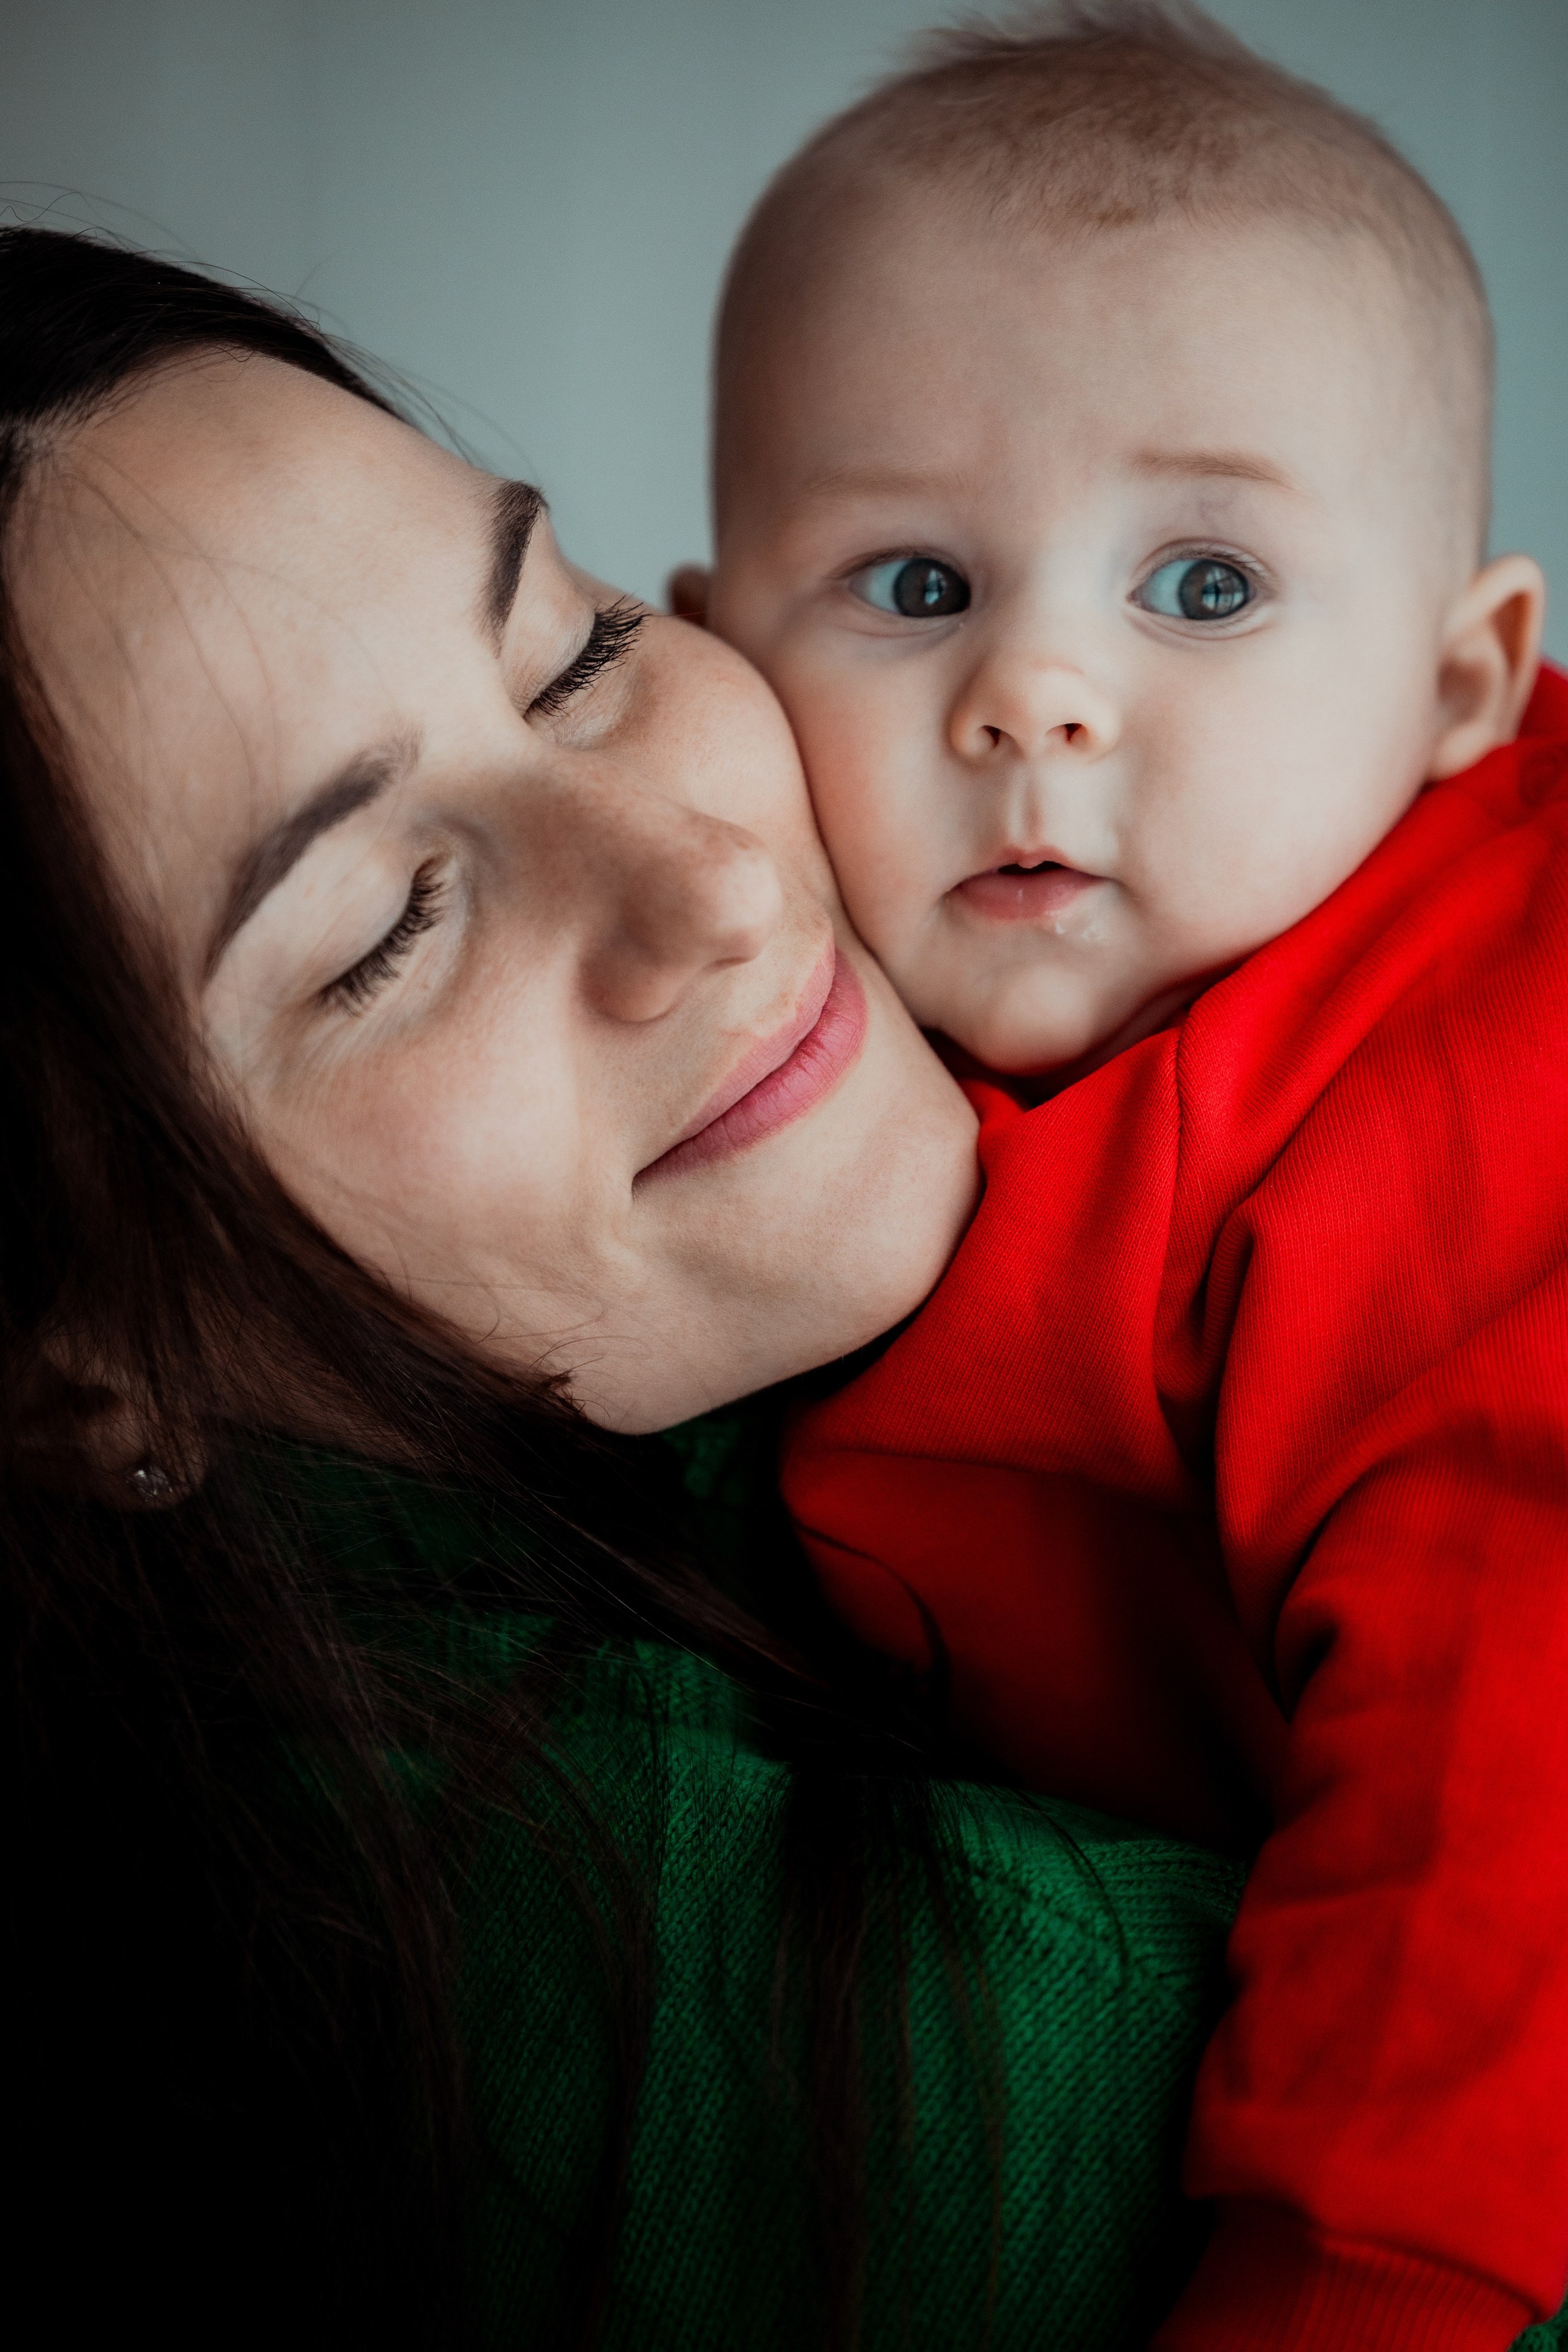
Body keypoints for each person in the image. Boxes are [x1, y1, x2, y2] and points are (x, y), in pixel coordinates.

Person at [2, 225, 1248, 2350]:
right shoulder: (549, 1971)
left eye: (572, 654)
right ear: (79, 1371)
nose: (718, 879)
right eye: (387, 931)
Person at [677, 4, 1568, 2346]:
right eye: (909, 583)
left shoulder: (1473, 1112)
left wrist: (1352, 2281)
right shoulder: (784, 1041)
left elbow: (1512, 1784)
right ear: (709, 664)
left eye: (1203, 587)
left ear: (1462, 686)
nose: (1039, 693)